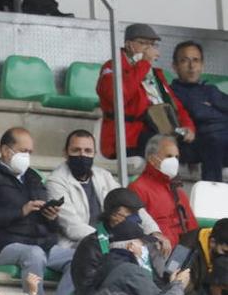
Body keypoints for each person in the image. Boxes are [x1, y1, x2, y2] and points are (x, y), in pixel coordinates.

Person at [0, 127, 70, 292]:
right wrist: (20, 211)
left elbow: (51, 225)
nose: (27, 156)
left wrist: (51, 217)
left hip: (40, 243)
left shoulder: (33, 177)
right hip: (1, 245)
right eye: (23, 151)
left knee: (80, 258)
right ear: (5, 150)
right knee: (34, 254)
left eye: (30, 152)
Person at [97, 23, 194, 160]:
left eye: (153, 44)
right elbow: (119, 97)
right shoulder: (112, 67)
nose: (150, 49)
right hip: (127, 137)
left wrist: (188, 126)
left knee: (208, 143)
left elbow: (174, 105)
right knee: (163, 146)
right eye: (144, 44)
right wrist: (144, 63)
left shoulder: (154, 74)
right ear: (129, 45)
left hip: (159, 131)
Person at [170, 40, 228, 181]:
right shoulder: (171, 93)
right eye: (185, 61)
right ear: (175, 66)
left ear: (202, 65)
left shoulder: (210, 90)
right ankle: (211, 197)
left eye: (196, 60)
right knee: (214, 139)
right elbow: (199, 114)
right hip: (193, 145)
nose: (192, 66)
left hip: (222, 141)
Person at [131, 134, 197, 244]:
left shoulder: (177, 190)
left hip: (184, 252)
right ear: (152, 159)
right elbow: (137, 229)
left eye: (176, 157)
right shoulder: (137, 189)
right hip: (159, 253)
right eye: (169, 156)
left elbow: (192, 226)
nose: (174, 161)